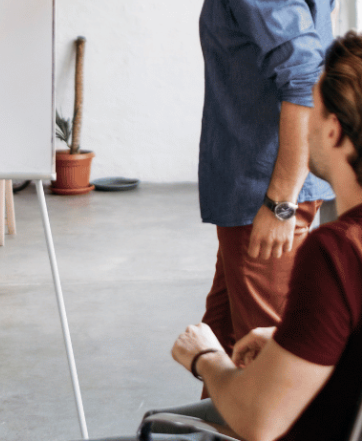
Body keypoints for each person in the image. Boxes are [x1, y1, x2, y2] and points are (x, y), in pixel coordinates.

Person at [81, 32, 362, 441]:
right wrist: (294, 340)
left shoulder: (335, 252)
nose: (306, 124)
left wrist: (205, 356)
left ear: (334, 130)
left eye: (312, 111)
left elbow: (258, 419)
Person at [174, 0, 337, 357]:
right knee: (214, 337)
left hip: (263, 194)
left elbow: (302, 74)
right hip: (251, 190)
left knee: (272, 361)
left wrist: (280, 204)